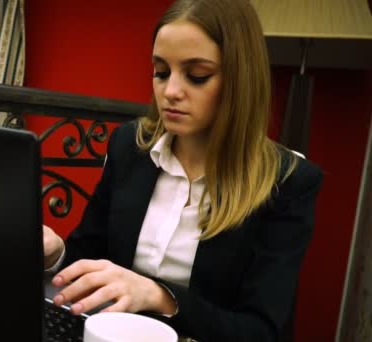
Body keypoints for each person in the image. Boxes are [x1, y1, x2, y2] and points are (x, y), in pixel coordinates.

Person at [42, 0, 324, 341]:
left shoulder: (288, 182)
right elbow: (88, 259)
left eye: (197, 76)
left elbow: (260, 331)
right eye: (161, 72)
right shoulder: (130, 146)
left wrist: (161, 298)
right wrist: (56, 252)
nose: (170, 92)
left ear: (240, 80)